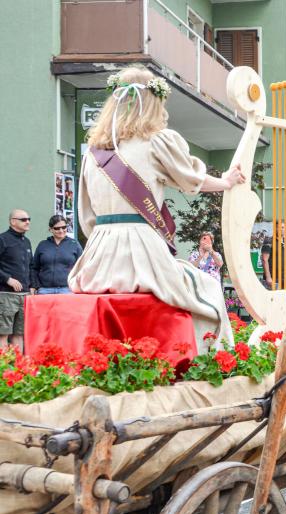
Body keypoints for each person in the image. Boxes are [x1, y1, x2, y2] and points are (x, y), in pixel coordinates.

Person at [68, 67, 245, 350]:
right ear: (153, 102)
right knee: (207, 290)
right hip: (142, 251)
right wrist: (226, 181)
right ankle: (207, 361)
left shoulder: (93, 153)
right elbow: (191, 179)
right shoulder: (156, 142)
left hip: (97, 258)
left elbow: (86, 218)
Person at [0, 210, 33, 348]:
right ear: (13, 221)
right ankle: (3, 367)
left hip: (24, 295)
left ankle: (18, 368)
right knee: (3, 334)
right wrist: (8, 279)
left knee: (19, 334)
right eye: (23, 219)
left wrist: (32, 286)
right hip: (6, 295)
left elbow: (31, 266)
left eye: (28, 218)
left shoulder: (27, 241)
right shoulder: (2, 239)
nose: (27, 222)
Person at [31, 215, 83, 294]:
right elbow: (34, 268)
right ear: (50, 229)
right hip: (44, 290)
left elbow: (82, 266)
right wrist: (34, 286)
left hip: (67, 290)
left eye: (64, 227)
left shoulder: (74, 244)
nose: (61, 230)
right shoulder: (42, 245)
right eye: (57, 228)